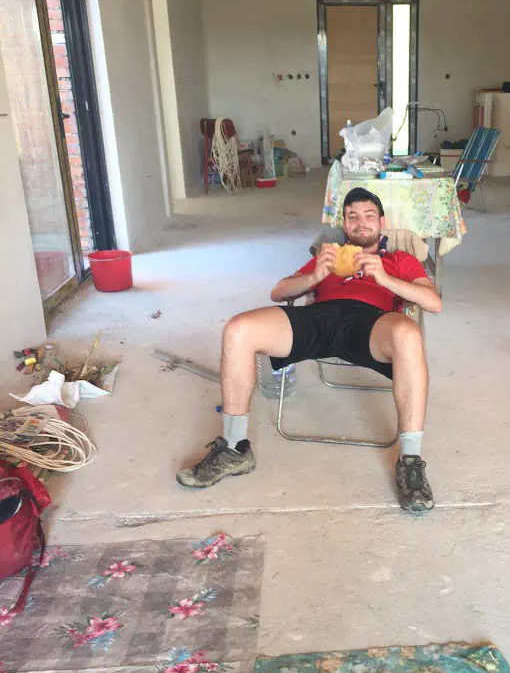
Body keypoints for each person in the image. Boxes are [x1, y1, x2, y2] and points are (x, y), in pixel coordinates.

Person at [176, 187, 442, 513]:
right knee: (237, 330)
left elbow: (433, 302)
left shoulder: (399, 260)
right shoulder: (328, 255)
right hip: (318, 319)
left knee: (409, 334)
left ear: (381, 222)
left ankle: (411, 460)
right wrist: (317, 274)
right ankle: (234, 448)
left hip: (371, 325)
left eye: (368, 216)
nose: (361, 223)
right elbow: (278, 291)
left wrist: (385, 278)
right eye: (353, 216)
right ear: (344, 224)